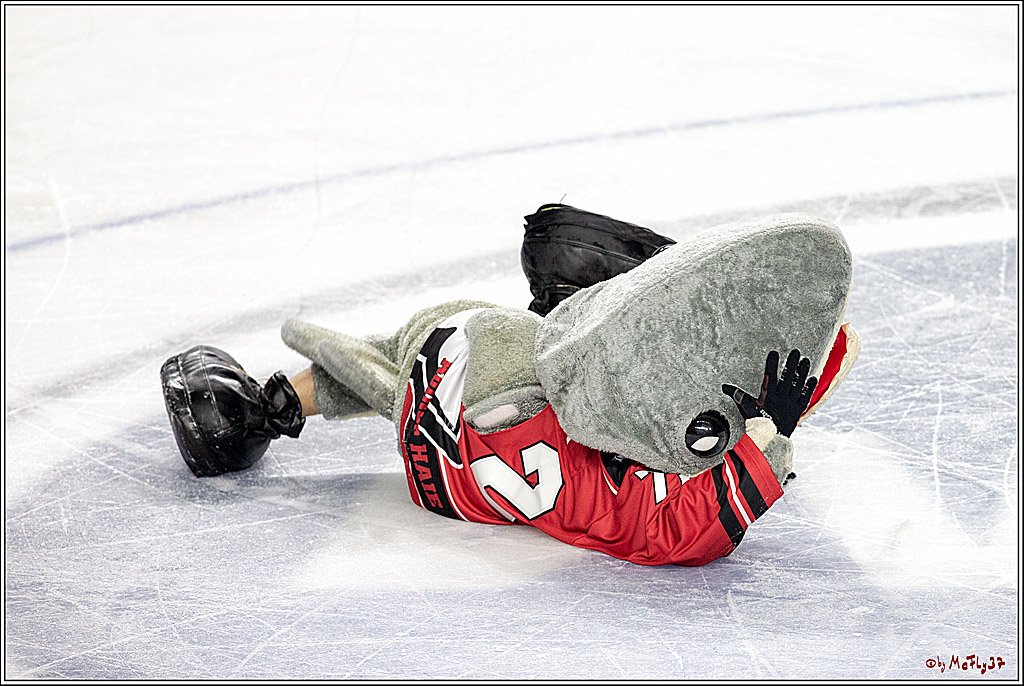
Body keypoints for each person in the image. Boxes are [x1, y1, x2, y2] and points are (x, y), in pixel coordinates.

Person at [162, 205, 859, 566]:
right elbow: (684, 525)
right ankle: (273, 408)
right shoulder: (623, 489)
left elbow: (685, 529)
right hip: (461, 442)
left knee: (410, 358)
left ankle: (262, 411)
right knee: (420, 362)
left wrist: (767, 434)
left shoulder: (479, 381)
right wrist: (772, 433)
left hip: (461, 429)